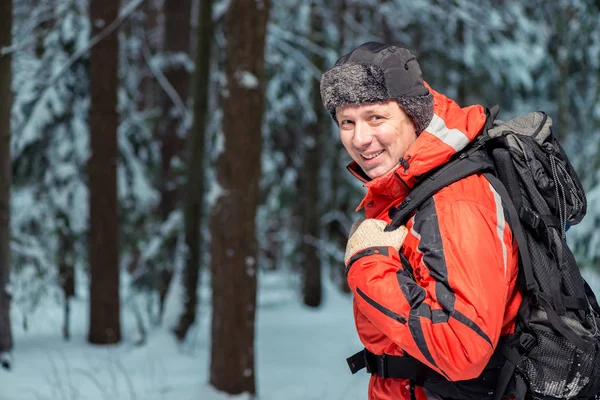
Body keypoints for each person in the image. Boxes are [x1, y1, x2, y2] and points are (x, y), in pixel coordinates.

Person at [319, 41, 522, 400]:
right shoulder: (411, 188)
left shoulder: (454, 201)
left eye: (376, 118)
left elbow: (463, 350)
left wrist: (369, 265)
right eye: (346, 122)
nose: (360, 138)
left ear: (413, 115)